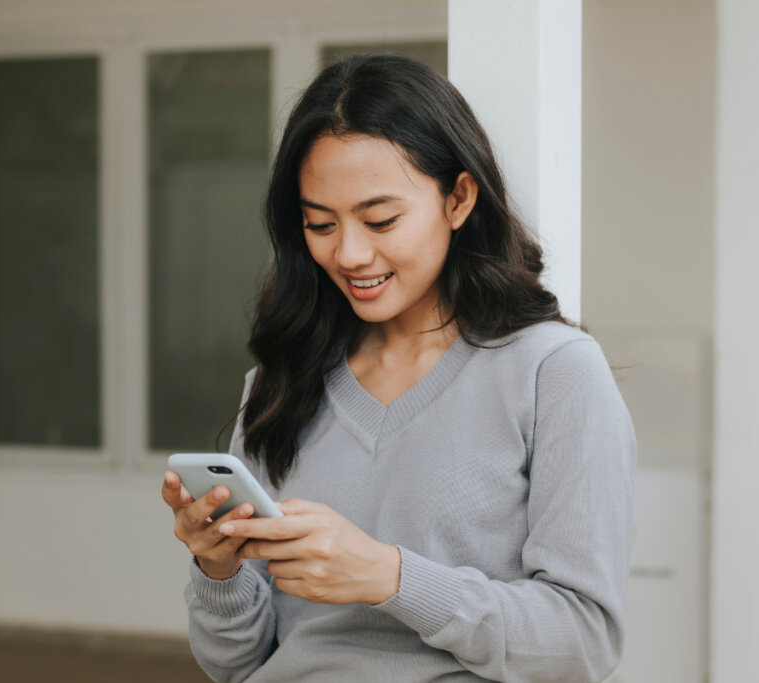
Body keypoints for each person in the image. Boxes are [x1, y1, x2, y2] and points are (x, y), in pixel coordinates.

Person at [160, 54, 635, 683]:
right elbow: (236, 664)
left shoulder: (554, 373)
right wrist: (217, 569)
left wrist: (391, 577)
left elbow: (582, 642)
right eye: (319, 224)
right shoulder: (282, 384)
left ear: (459, 198)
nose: (350, 253)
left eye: (381, 219)